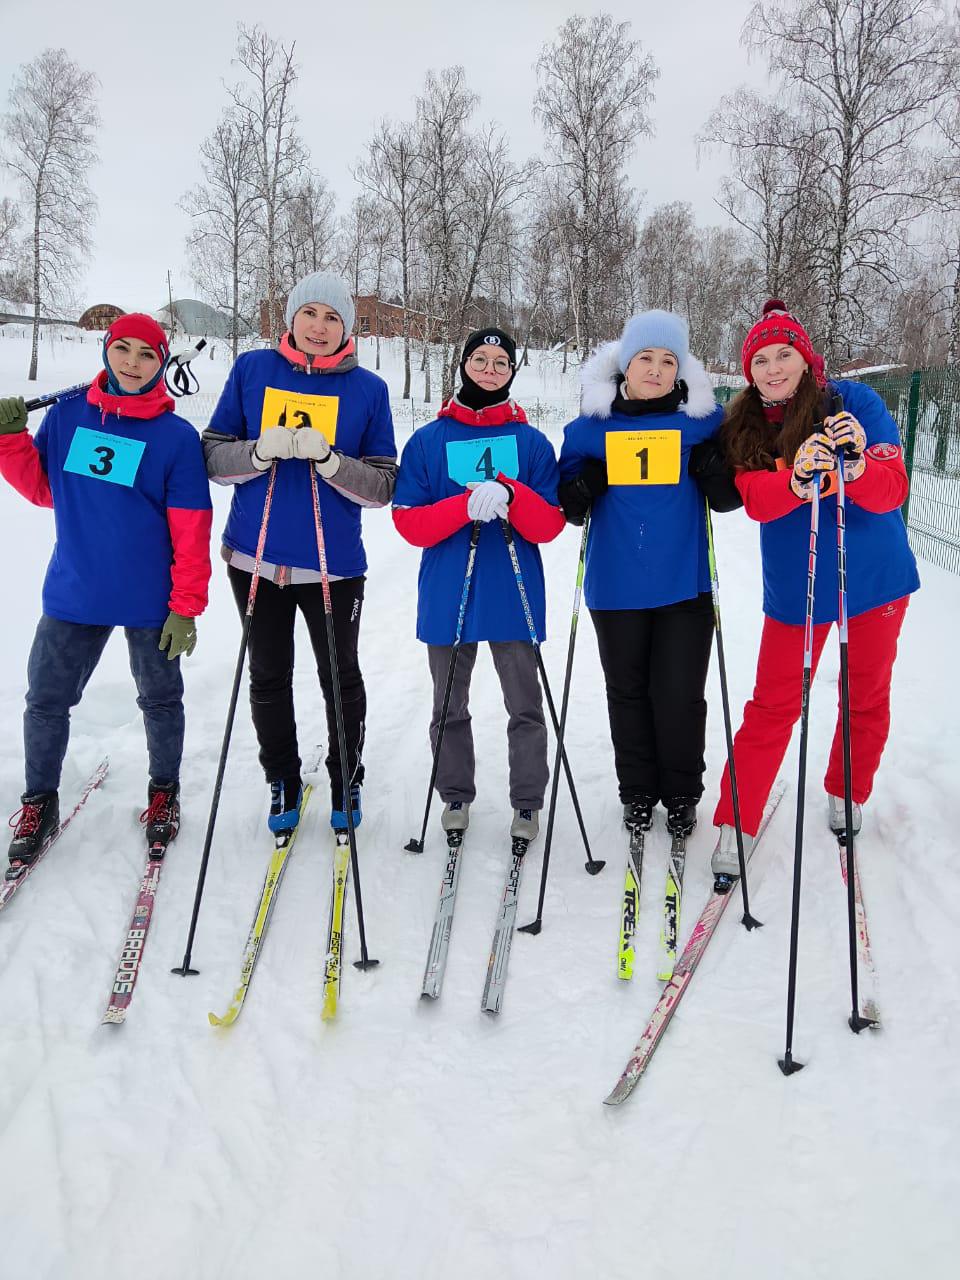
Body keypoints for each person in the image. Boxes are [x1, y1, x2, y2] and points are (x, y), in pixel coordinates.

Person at [711, 299, 920, 876]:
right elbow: (754, 499)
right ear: (748, 370)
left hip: (872, 580)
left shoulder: (853, 403)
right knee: (774, 704)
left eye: (785, 355)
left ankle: (846, 787)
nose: (773, 369)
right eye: (760, 360)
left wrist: (855, 468)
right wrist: (797, 480)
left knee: (865, 693)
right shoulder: (745, 423)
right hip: (796, 586)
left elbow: (892, 490)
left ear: (805, 359)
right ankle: (738, 816)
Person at [0, 313, 212, 867]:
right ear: (106, 350)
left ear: (162, 363)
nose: (133, 363)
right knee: (45, 701)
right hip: (75, 590)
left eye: (147, 354)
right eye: (124, 350)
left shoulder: (176, 438)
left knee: (160, 700)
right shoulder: (69, 414)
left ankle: (163, 793)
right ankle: (38, 802)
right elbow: (48, 490)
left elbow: (191, 528)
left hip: (150, 601)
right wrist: (10, 441)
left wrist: (186, 605)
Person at [203, 270, 396, 833]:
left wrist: (332, 462)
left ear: (347, 329)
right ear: (290, 318)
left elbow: (384, 485)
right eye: (309, 313)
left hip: (332, 565)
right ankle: (281, 777)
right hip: (255, 556)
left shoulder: (368, 390)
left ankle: (345, 776)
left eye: (333, 317)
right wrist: (258, 453)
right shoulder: (252, 370)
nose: (319, 326)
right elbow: (213, 456)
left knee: (340, 677)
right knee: (268, 673)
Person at [558, 310, 731, 839]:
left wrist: (713, 471)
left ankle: (681, 793)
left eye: (667, 360)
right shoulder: (590, 429)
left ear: (680, 370)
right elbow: (568, 506)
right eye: (645, 358)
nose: (655, 369)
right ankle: (636, 790)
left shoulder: (703, 423)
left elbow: (729, 499)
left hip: (684, 585)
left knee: (680, 695)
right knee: (627, 693)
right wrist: (581, 487)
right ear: (624, 365)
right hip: (616, 585)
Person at [392, 328, 565, 841]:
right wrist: (462, 505)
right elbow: (409, 522)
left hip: (511, 591)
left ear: (512, 371)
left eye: (500, 362)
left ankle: (528, 801)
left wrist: (511, 494)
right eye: (480, 359)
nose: (490, 369)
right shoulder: (428, 440)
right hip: (450, 591)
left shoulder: (531, 443)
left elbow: (550, 524)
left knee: (524, 705)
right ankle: (455, 795)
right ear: (463, 364)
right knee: (448, 704)